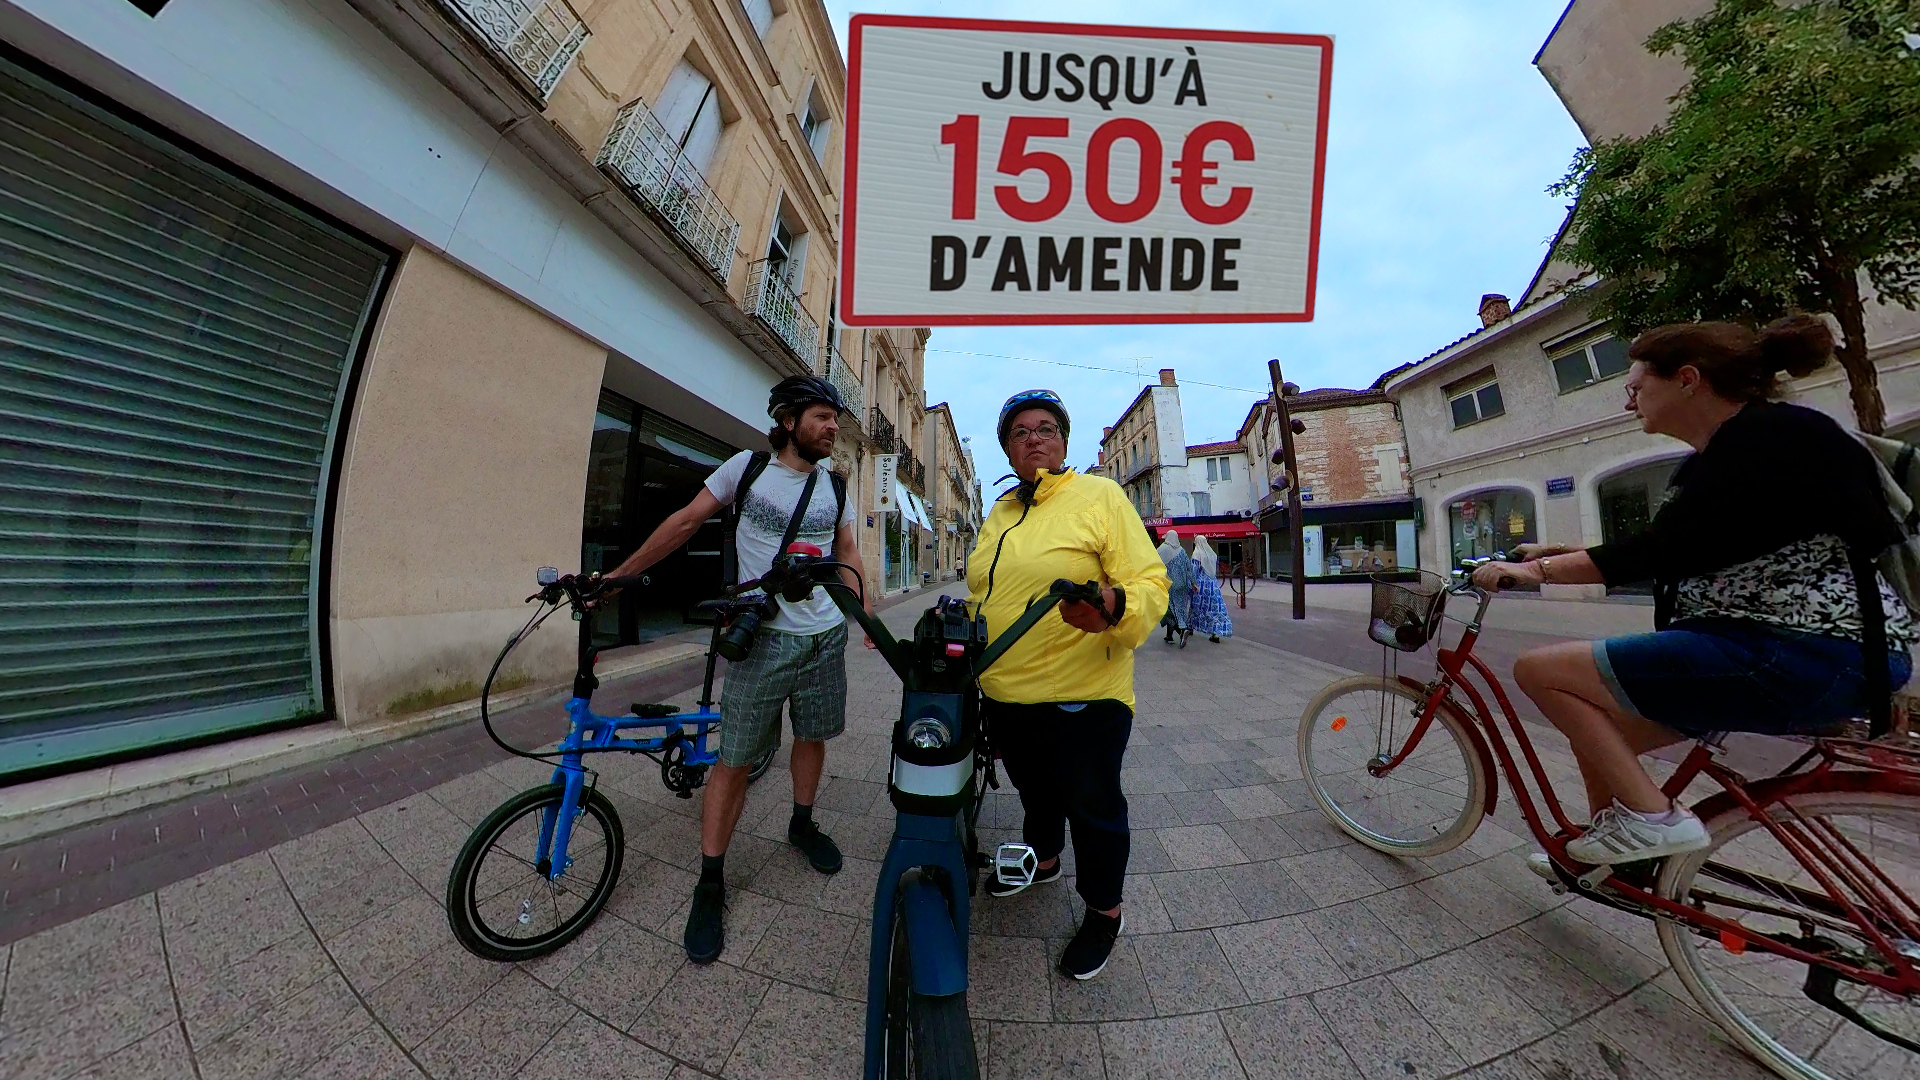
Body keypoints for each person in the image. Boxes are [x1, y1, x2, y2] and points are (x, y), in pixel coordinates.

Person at [1467, 316, 1915, 870]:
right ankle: (1616, 855)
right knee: (1603, 735)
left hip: (1802, 651)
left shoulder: (1769, 438)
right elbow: (1701, 544)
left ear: (1686, 379)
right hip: (1799, 647)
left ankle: (1653, 823)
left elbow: (1671, 547)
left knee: (1540, 670)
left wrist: (1544, 574)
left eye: (1635, 387)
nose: (1629, 403)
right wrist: (1561, 554)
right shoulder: (1738, 446)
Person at [602, 375, 874, 963]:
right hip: (763, 638)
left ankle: (801, 822)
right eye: (823, 417)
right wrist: (620, 575)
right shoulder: (744, 470)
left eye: (836, 419)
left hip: (825, 636)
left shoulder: (834, 485)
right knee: (735, 757)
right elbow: (684, 522)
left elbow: (847, 550)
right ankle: (710, 880)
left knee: (813, 734)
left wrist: (865, 614)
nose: (833, 428)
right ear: (788, 420)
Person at [968, 389, 1170, 980]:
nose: (1034, 437)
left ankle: (1105, 913)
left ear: (1064, 441)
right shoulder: (1000, 512)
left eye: (1046, 428)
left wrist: (1114, 605)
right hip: (1006, 693)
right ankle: (1045, 861)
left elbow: (1150, 581)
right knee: (1035, 794)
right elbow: (989, 591)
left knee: (1093, 807)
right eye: (1021, 431)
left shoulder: (1099, 495)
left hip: (1084, 695)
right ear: (1007, 448)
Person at [1188, 535, 1235, 643]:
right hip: (1213, 585)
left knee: (1196, 608)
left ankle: (1190, 627)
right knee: (1214, 610)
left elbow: (1194, 571)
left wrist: (1191, 583)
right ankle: (1216, 633)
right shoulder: (1212, 554)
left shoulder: (1197, 554)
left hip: (1200, 586)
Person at [1158, 529, 1195, 645]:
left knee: (1167, 609)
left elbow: (1155, 563)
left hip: (1169, 585)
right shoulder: (1182, 551)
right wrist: (1193, 583)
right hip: (1182, 585)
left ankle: (1181, 630)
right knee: (1178, 608)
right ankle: (1170, 636)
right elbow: (1189, 569)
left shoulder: (1163, 548)